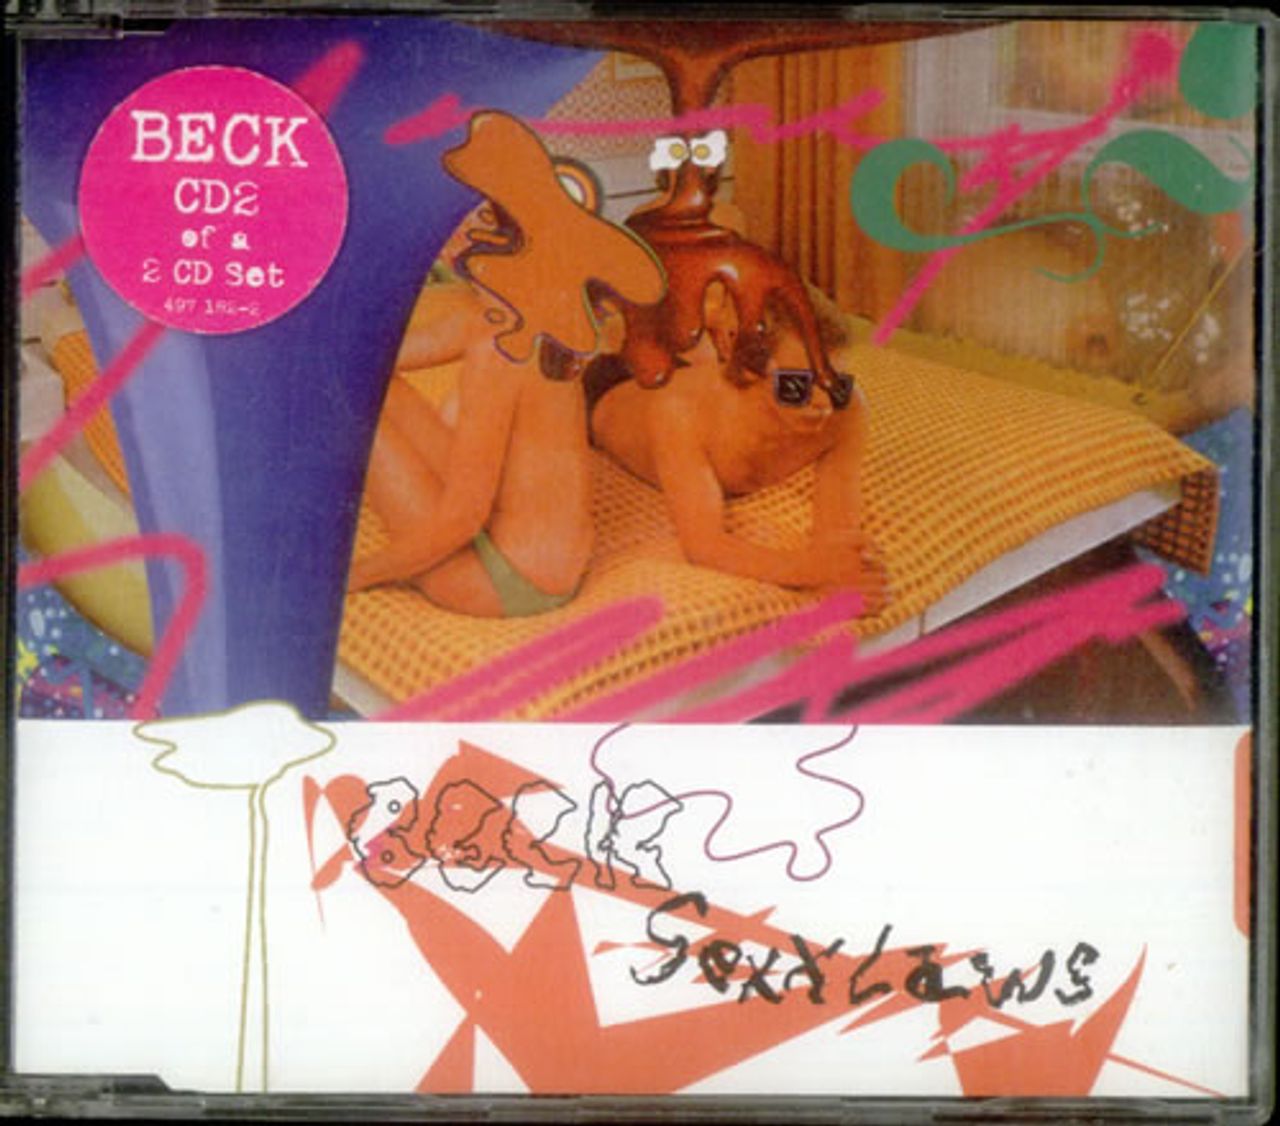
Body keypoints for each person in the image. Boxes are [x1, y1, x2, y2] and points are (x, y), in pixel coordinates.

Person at [586, 280, 889, 611]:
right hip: (610, 385)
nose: (823, 403)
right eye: (797, 385)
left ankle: (701, 319)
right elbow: (705, 546)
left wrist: (849, 577)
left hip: (697, 376)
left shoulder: (848, 409)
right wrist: (812, 571)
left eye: (834, 383)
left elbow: (838, 535)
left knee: (688, 348)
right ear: (750, 369)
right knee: (621, 335)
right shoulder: (681, 413)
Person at [347, 279, 607, 616]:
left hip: (502, 583)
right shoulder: (527, 323)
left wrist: (353, 576)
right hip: (549, 561)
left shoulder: (500, 349)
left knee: (350, 399)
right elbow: (368, 362)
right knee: (364, 383)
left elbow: (463, 519)